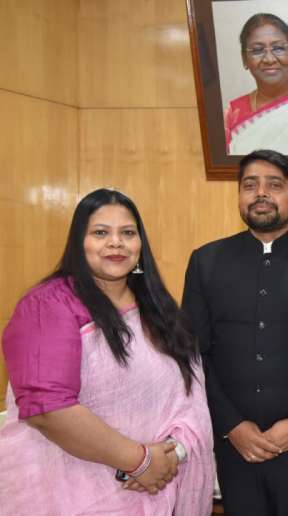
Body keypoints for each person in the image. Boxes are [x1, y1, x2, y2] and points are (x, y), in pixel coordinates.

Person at [0, 189, 214, 515]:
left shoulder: (158, 309)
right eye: (101, 233)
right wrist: (140, 461)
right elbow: (47, 410)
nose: (116, 243)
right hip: (63, 495)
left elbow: (189, 398)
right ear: (79, 243)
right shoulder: (48, 306)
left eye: (127, 233)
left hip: (155, 487)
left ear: (140, 245)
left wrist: (173, 454)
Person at [182, 149, 288, 515]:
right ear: (238, 197)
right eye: (250, 185)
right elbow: (192, 355)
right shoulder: (206, 262)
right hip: (236, 449)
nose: (261, 193)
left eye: (274, 185)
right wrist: (232, 426)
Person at [225, 13, 288, 156]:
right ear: (244, 59)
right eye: (257, 50)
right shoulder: (232, 115)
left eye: (278, 48)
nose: (269, 59)